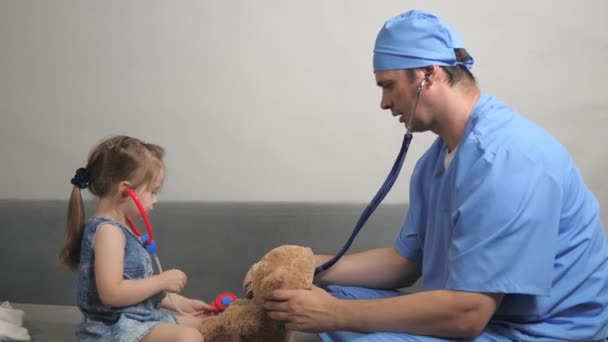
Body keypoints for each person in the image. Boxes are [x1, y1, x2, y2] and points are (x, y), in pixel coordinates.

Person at [258, 9, 608, 341]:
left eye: (389, 85)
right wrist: (300, 267)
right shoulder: (436, 161)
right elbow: (405, 263)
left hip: (536, 332)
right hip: (481, 319)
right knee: (328, 293)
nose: (384, 102)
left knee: (351, 323)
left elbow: (469, 313)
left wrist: (335, 315)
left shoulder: (508, 159)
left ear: (429, 75)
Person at [59, 135, 212, 342]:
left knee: (208, 325)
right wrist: (162, 280)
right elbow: (112, 293)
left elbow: (138, 289)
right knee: (188, 337)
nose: (156, 200)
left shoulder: (124, 229)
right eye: (152, 191)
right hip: (112, 330)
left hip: (137, 321)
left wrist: (183, 304)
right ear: (125, 191)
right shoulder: (108, 232)